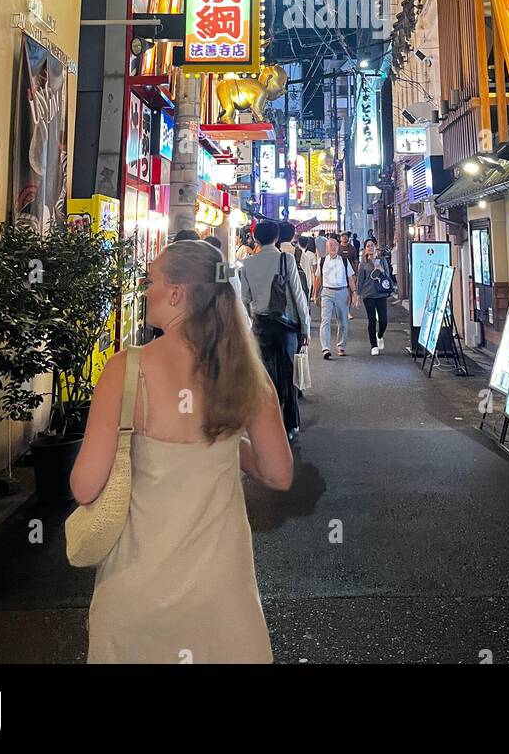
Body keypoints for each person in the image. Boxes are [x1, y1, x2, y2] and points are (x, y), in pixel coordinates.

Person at [73, 239, 292, 664]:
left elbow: (85, 487)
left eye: (151, 278)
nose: (144, 287)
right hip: (221, 594)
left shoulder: (126, 369)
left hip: (136, 590)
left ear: (176, 293)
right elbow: (279, 474)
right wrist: (226, 443)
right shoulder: (245, 372)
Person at [239, 219, 310, 441]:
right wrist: (305, 326)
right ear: (277, 238)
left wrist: (254, 318)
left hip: (261, 326)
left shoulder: (248, 264)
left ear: (256, 239)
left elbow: (245, 298)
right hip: (286, 326)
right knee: (287, 375)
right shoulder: (286, 259)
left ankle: (266, 424)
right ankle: (290, 425)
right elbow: (298, 295)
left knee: (264, 377)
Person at [314, 235, 356, 359]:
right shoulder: (322, 261)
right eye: (330, 245)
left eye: (335, 245)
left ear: (338, 247)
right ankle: (325, 348)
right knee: (325, 320)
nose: (333, 247)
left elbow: (350, 277)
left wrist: (354, 293)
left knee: (343, 321)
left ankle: (341, 345)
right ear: (326, 248)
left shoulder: (344, 261)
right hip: (327, 292)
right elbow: (318, 278)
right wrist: (315, 294)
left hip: (342, 292)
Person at [358, 237, 392, 355]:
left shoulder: (382, 260)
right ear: (365, 249)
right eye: (368, 246)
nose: (370, 248)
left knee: (384, 320)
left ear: (375, 246)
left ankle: (380, 334)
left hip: (381, 293)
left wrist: (381, 269)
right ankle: (373, 345)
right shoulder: (363, 263)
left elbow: (388, 275)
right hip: (368, 294)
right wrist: (357, 294)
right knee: (371, 320)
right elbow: (360, 280)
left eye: (372, 245)